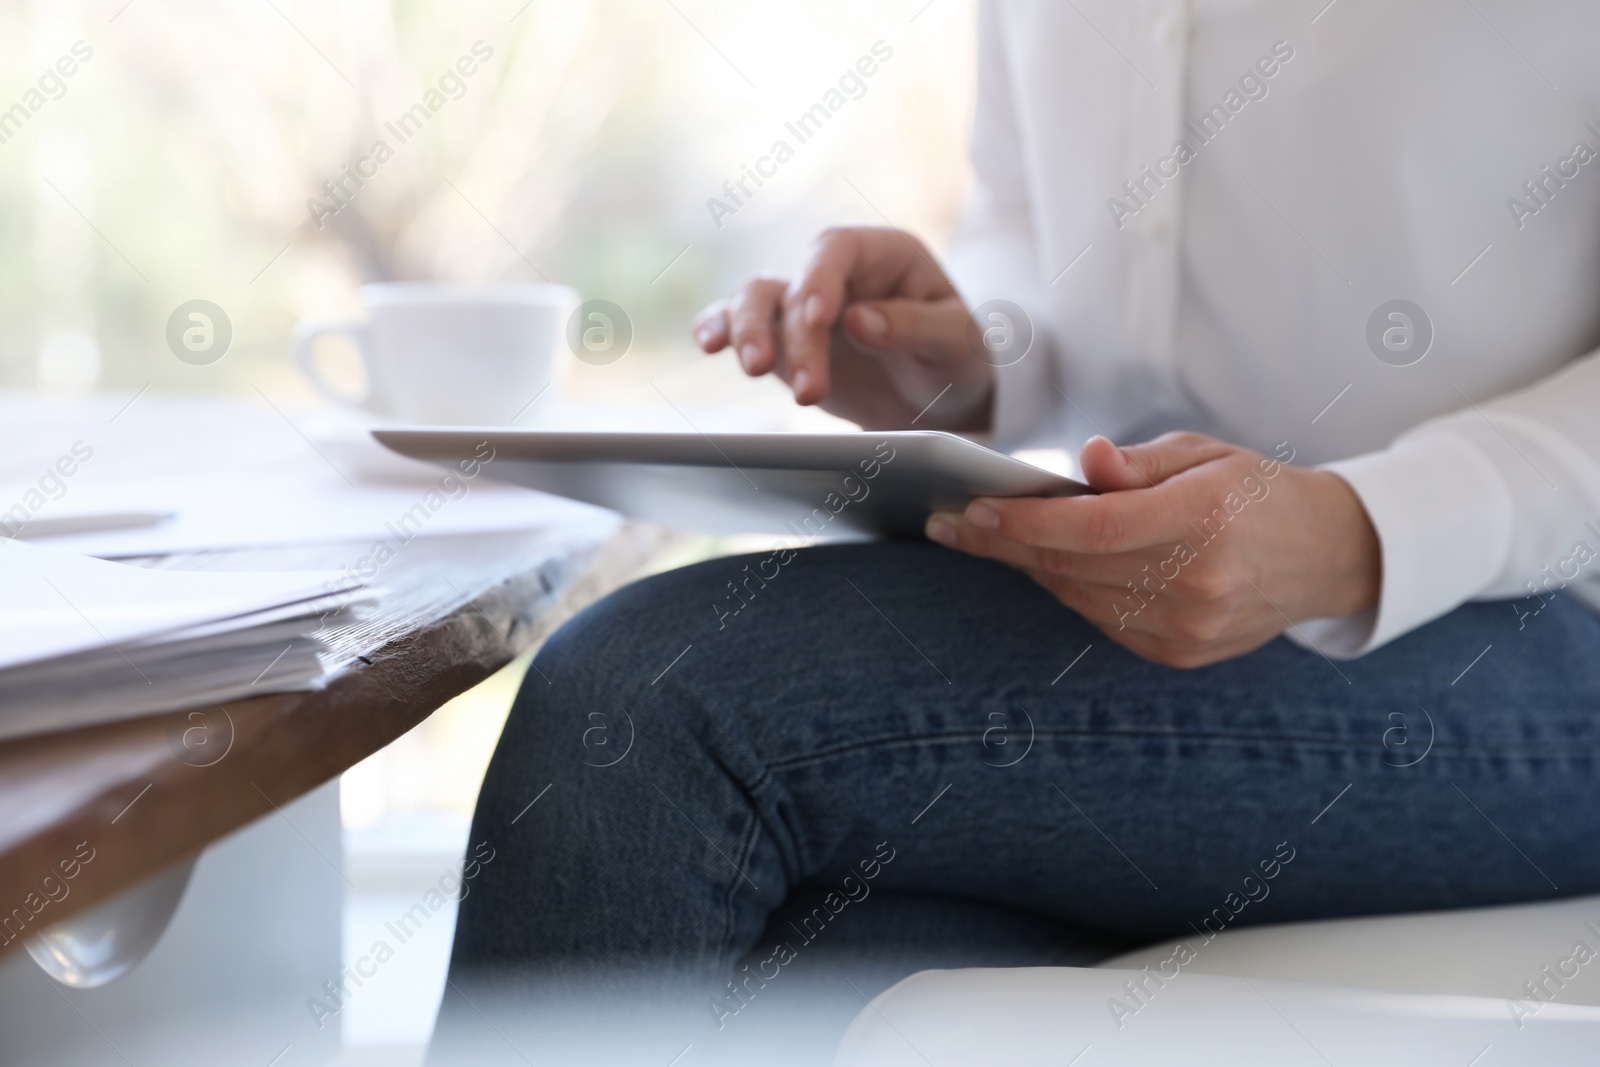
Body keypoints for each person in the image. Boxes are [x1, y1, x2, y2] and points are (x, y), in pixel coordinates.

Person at [431, 3, 1600, 1063]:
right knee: (802, 966)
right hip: (1144, 596)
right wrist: (971, 354)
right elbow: (1030, 225)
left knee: (649, 701)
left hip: (1543, 620)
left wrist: (1360, 530)